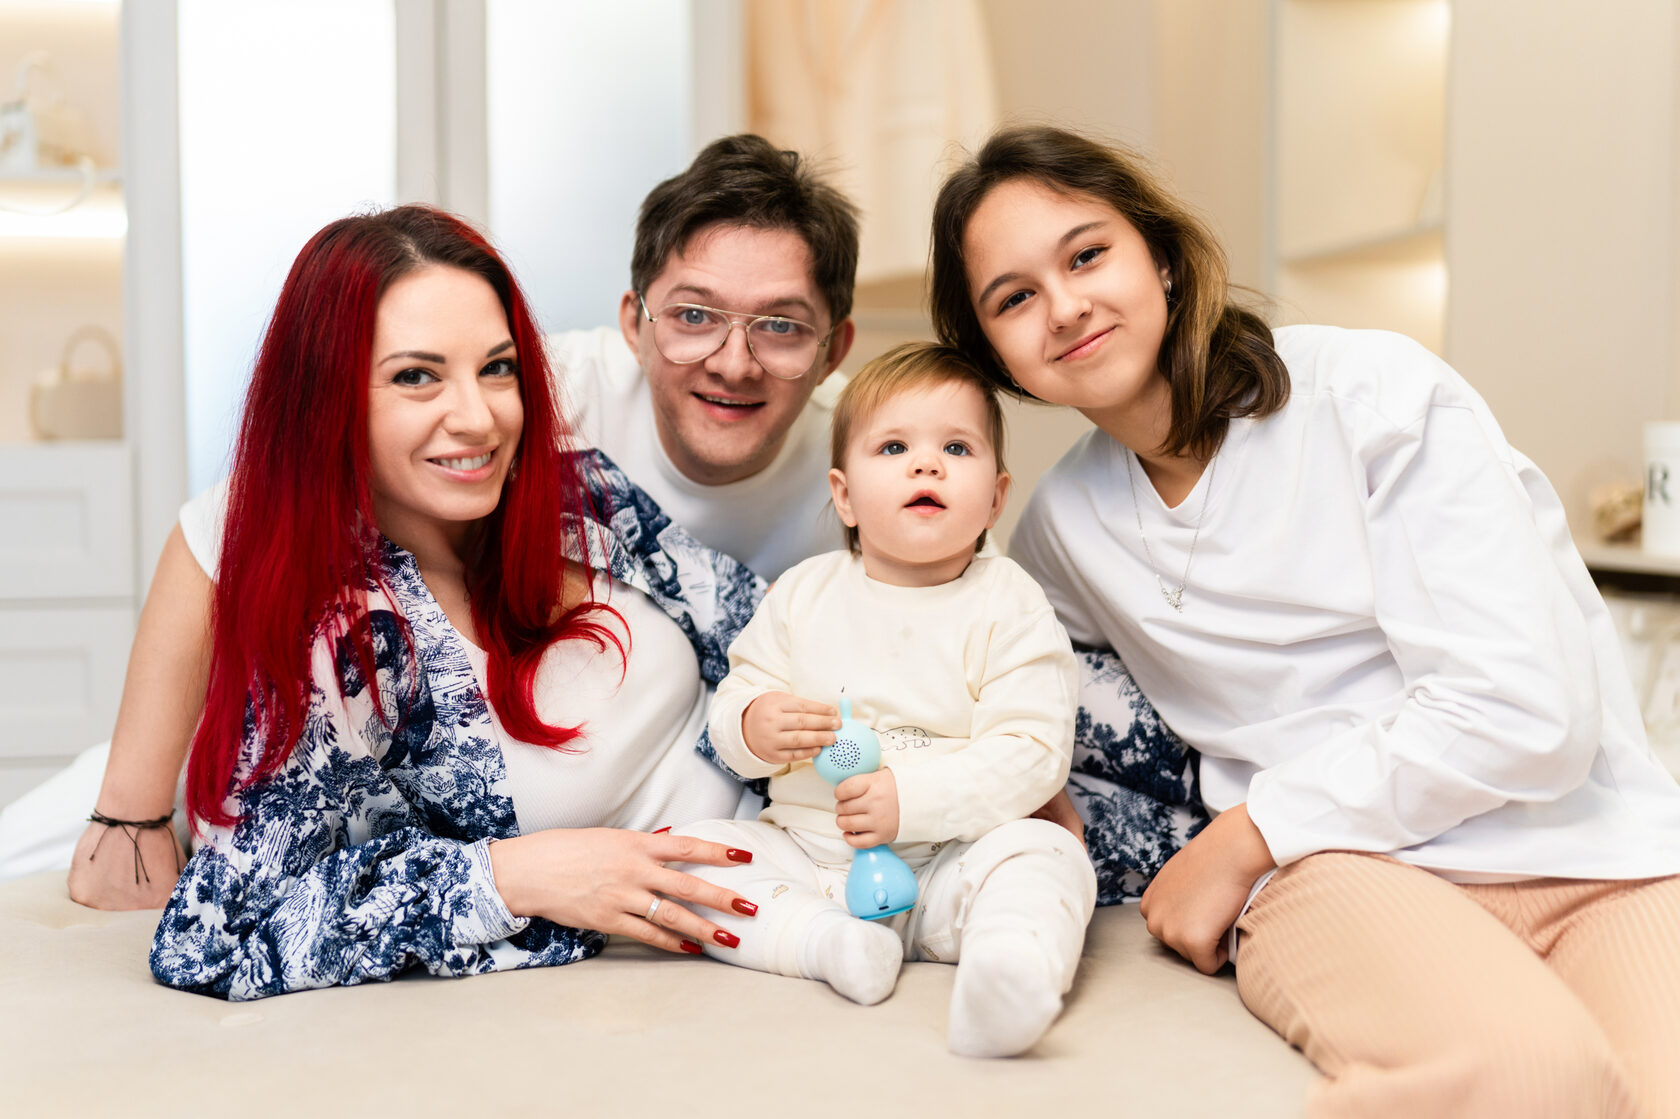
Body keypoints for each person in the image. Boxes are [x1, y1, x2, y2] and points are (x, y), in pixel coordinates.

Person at [928, 124, 1680, 1113]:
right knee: (1537, 1077)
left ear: (1159, 257)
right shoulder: (1065, 522)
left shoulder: (1372, 397)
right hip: (1337, 869)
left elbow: (1528, 712)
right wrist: (1031, 791)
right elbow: (984, 665)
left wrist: (1245, 834)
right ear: (998, 357)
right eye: (1014, 298)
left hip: (1591, 852)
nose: (1064, 307)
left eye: (1087, 255)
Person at [27, 134, 860, 910]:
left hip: (725, 796)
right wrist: (128, 814)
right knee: (78, 829)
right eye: (694, 316)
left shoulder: (874, 466)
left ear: (835, 347)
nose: (733, 361)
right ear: (635, 323)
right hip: (256, 752)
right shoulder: (552, 393)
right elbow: (231, 526)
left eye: (781, 326)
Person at [148, 203, 779, 1000]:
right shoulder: (347, 646)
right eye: (417, 376)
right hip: (738, 927)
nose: (479, 418)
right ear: (326, 401)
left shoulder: (578, 491)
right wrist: (516, 874)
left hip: (822, 815)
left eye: (497, 368)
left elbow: (758, 625)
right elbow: (210, 939)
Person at [672, 343, 1097, 1058]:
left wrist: (912, 799)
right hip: (810, 856)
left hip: (951, 859)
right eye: (894, 447)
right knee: (692, 858)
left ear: (996, 497)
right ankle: (826, 944)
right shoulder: (804, 593)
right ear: (844, 495)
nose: (926, 465)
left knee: (1047, 853)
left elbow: (1032, 752)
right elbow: (738, 697)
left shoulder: (1009, 603)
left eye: (956, 448)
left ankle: (1008, 969)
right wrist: (753, 723)